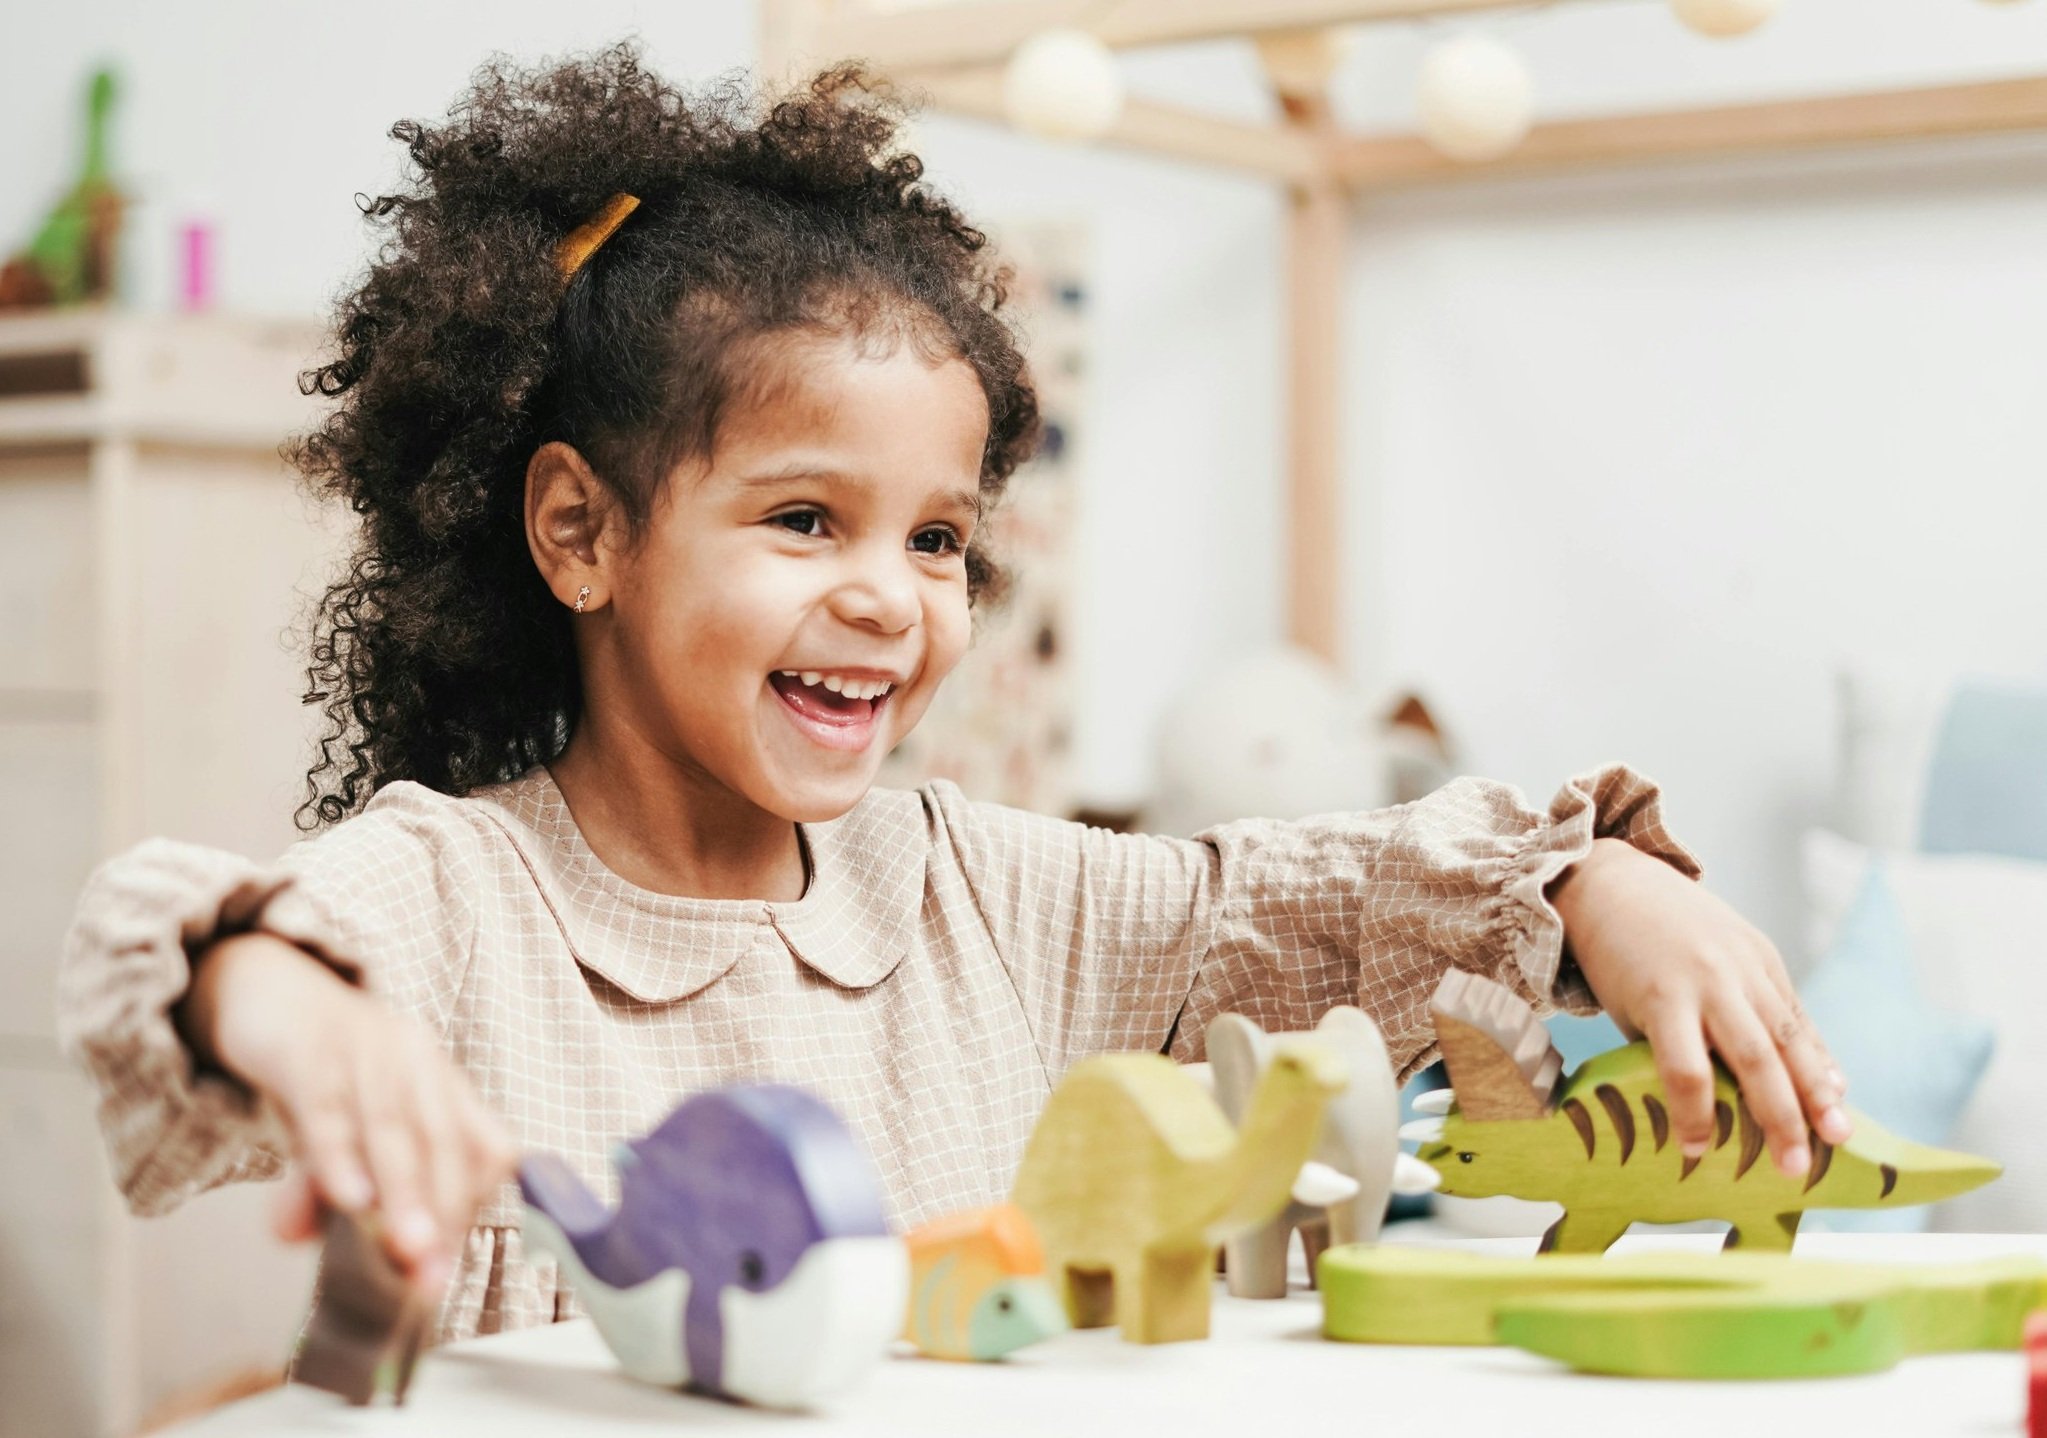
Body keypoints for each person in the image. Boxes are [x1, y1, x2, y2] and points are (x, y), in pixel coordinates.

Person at [57, 45, 1848, 1345]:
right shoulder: (457, 896)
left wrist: (1592, 879)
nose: (887, 597)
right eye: (802, 516)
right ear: (582, 531)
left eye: (936, 539)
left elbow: (1315, 898)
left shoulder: (988, 894)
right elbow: (155, 936)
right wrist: (289, 1005)